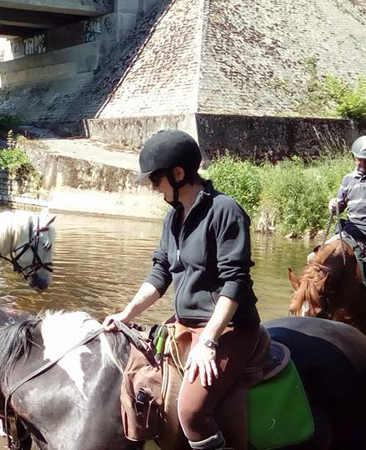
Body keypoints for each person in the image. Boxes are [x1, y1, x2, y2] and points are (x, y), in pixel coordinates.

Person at [102, 130, 261, 450]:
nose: (153, 188)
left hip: (230, 327)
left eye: (155, 180)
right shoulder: (173, 218)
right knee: (139, 379)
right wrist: (125, 314)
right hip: (184, 322)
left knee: (191, 412)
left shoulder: (225, 210)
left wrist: (210, 340)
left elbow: (236, 281)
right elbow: (160, 274)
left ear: (178, 174)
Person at [321, 136, 366, 257]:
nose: (363, 163)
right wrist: (333, 205)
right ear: (353, 157)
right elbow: (339, 207)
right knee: (314, 257)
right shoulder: (347, 179)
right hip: (351, 233)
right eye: (359, 159)